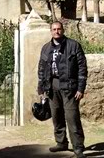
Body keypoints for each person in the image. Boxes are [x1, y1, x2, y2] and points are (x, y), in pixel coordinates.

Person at [38, 21, 88, 158]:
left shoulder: (73, 46)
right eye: (54, 29)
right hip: (52, 86)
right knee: (56, 116)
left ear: (63, 30)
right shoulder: (46, 48)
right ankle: (61, 142)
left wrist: (81, 88)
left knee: (72, 117)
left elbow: (82, 68)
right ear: (51, 31)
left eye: (59, 29)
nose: (57, 31)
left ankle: (78, 147)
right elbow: (41, 69)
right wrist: (41, 89)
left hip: (70, 87)